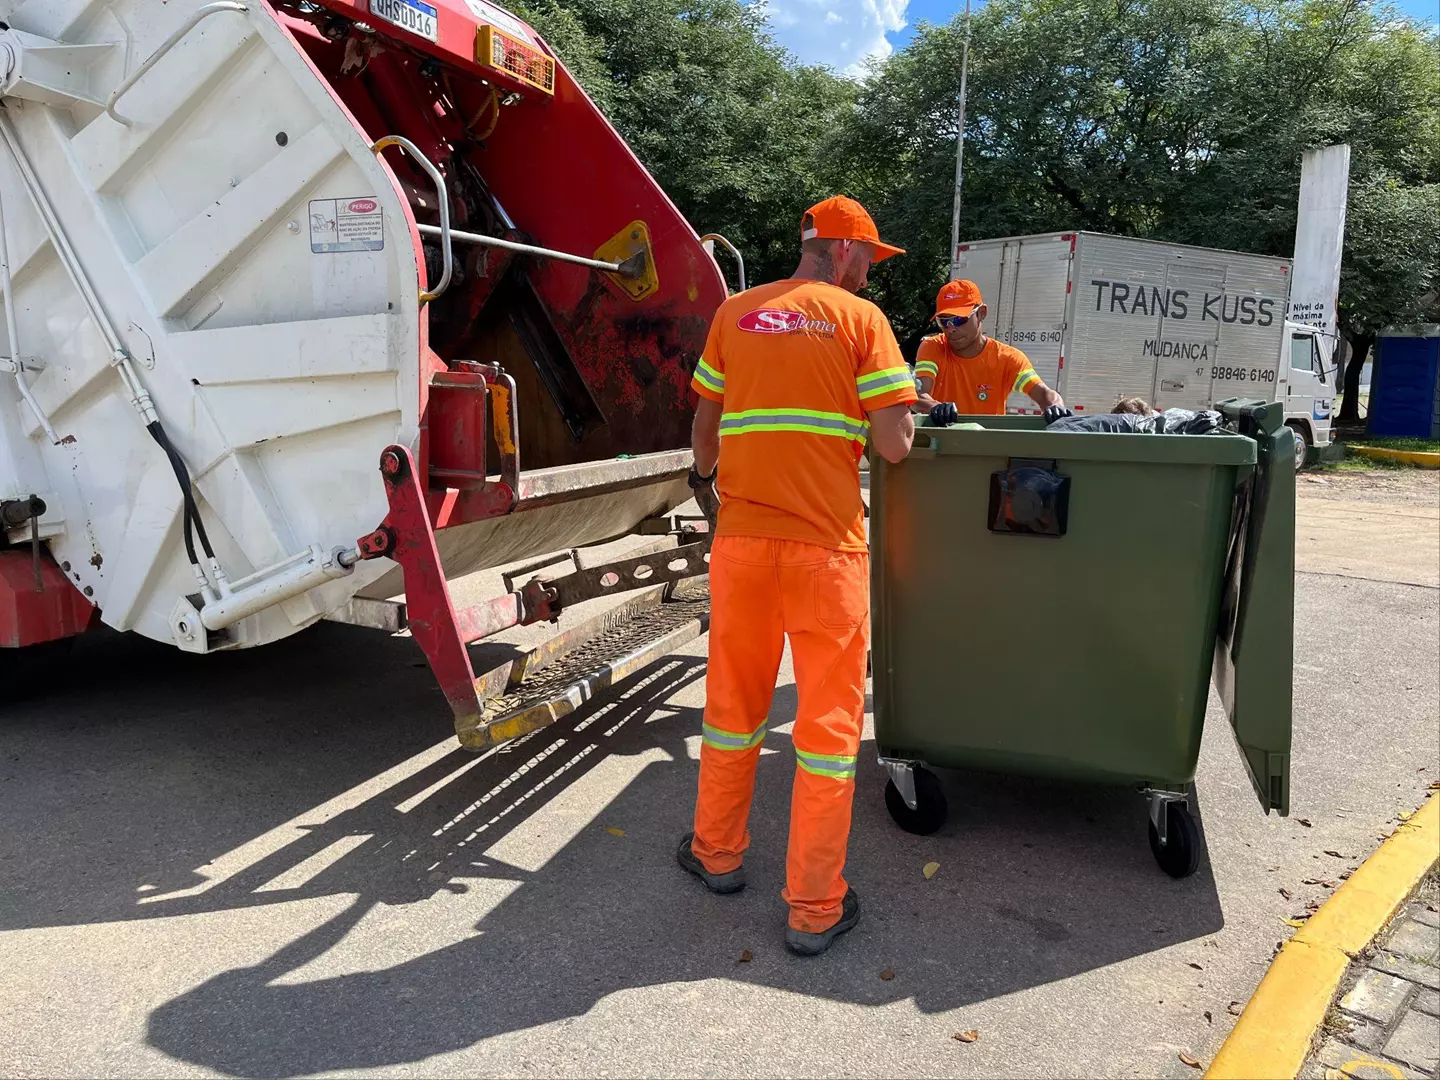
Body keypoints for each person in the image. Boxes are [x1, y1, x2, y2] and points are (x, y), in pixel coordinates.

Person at [681, 195, 918, 956]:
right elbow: (896, 446)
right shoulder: (861, 322)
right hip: (826, 555)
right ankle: (814, 908)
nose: (871, 277)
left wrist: (707, 477)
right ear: (845, 252)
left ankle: (716, 856)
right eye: (870, 263)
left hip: (744, 548)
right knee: (825, 737)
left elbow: (706, 433)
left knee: (731, 712)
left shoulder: (735, 313)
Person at [914, 279, 1067, 422]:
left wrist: (1055, 406)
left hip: (987, 445)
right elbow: (917, 395)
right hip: (942, 443)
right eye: (944, 322)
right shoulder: (933, 347)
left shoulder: (1008, 358)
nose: (951, 329)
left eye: (959, 319)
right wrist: (935, 408)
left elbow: (1043, 393)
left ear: (982, 313)